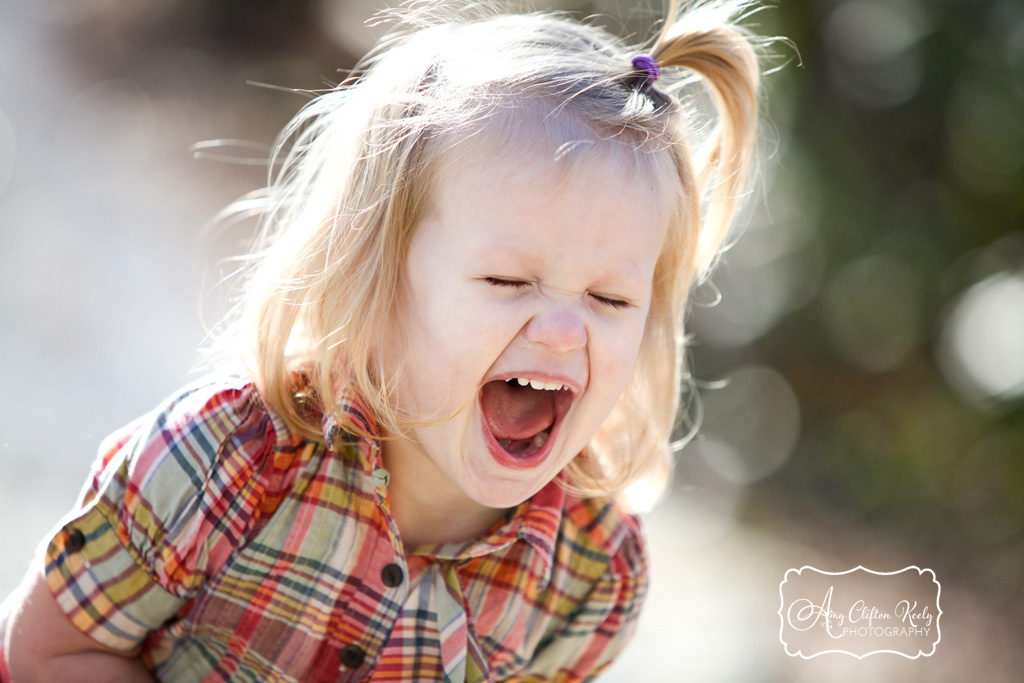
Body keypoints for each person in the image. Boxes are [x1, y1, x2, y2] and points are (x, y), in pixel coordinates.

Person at [1, 0, 769, 680]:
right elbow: (46, 650)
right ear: (377, 279)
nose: (567, 328)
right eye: (508, 281)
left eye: (611, 297)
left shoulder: (591, 574)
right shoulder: (223, 464)